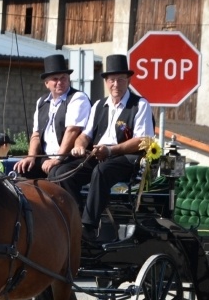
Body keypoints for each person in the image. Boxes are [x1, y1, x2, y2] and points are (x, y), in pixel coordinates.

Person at [50, 54, 155, 242]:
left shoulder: (140, 105)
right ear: (106, 81)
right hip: (98, 155)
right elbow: (85, 135)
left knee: (101, 171)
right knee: (62, 171)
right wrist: (79, 146)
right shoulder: (99, 105)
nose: (115, 84)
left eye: (120, 80)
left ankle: (88, 226)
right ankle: (74, 218)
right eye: (112, 80)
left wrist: (111, 150)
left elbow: (142, 140)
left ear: (128, 80)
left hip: (126, 159)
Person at [13, 54, 91, 179]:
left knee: (57, 173)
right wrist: (31, 157)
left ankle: (67, 199)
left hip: (70, 157)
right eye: (55, 79)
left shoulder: (77, 98)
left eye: (63, 78)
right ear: (46, 83)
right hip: (46, 156)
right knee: (22, 169)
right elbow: (36, 135)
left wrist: (57, 159)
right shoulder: (42, 102)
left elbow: (72, 131)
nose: (60, 82)